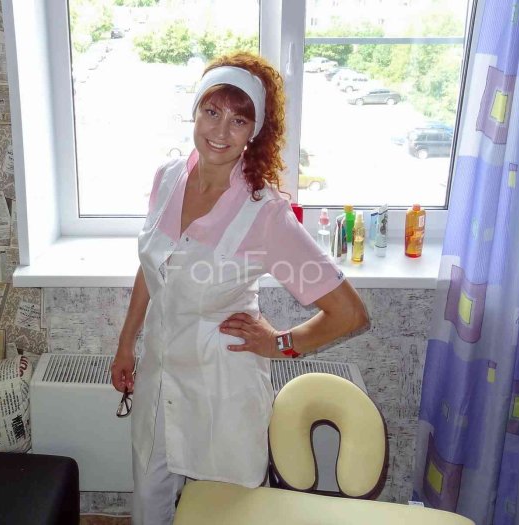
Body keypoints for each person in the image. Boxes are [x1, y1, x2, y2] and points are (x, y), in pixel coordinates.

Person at [111, 52, 370, 525]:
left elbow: (349, 314)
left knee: (227, 512)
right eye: (212, 112)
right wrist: (126, 343)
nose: (220, 130)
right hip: (159, 377)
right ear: (194, 111)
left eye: (238, 120)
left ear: (255, 131)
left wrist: (280, 344)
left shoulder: (264, 213)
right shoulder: (167, 179)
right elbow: (153, 267)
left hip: (223, 389)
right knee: (149, 502)